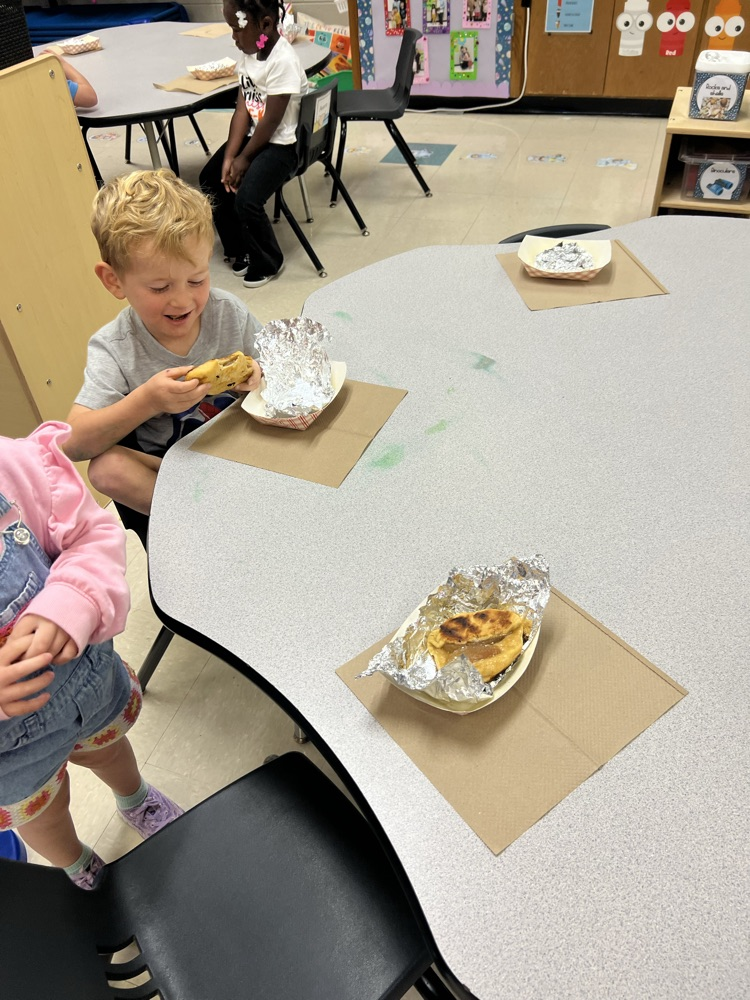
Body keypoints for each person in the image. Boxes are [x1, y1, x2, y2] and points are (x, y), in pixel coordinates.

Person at [0, 422, 183, 889]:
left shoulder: (12, 468)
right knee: (45, 813)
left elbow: (91, 535)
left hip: (86, 684)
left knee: (109, 752)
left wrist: (72, 600)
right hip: (12, 757)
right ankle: (78, 865)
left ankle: (135, 798)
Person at [64, 168, 263, 515]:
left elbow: (277, 373)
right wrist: (147, 401)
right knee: (105, 468)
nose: (183, 301)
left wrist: (257, 376)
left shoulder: (227, 313)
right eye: (160, 288)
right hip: (173, 470)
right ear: (114, 281)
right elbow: (72, 443)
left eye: (197, 280)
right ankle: (198, 521)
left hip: (242, 448)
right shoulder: (115, 347)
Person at [199, 0, 307, 288]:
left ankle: (269, 259)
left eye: (237, 29)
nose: (234, 37)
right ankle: (239, 247)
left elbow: (271, 121)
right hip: (258, 138)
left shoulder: (283, 61)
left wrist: (243, 159)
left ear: (266, 25)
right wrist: (229, 157)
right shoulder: (251, 53)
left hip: (284, 146)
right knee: (211, 179)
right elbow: (243, 110)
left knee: (247, 199)